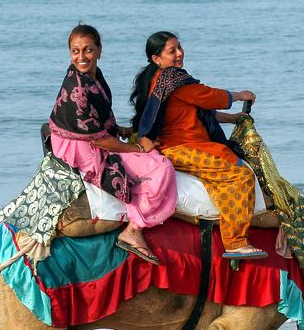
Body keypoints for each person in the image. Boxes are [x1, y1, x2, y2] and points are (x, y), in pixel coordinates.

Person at [129, 31, 267, 260]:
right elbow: (209, 97)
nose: (179, 53)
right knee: (240, 176)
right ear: (156, 58)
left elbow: (196, 110)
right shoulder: (176, 82)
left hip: (184, 143)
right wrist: (241, 94)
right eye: (171, 51)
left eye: (179, 47)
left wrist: (232, 118)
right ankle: (235, 242)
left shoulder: (161, 80)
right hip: (180, 147)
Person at [48, 24, 176, 264]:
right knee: (161, 168)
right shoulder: (78, 87)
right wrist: (138, 148)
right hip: (83, 149)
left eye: (87, 50)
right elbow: (99, 140)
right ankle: (135, 229)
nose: (81, 57)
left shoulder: (93, 76)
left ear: (99, 50)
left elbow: (99, 118)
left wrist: (124, 131)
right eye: (75, 51)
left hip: (93, 138)